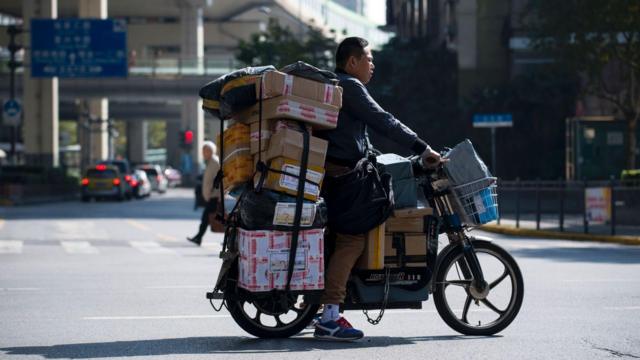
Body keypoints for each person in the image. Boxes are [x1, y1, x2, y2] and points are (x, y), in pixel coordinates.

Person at [314, 37, 444, 341]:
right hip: (345, 178)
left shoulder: (338, 86)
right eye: (369, 59)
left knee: (347, 237)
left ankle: (335, 301)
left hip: (338, 175)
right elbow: (383, 120)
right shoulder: (350, 86)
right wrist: (422, 147)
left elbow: (361, 139)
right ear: (352, 62)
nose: (373, 65)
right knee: (352, 240)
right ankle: (330, 317)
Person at [187, 141, 220, 246]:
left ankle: (198, 237)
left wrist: (213, 192)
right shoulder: (210, 162)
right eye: (203, 151)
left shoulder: (214, 162)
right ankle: (198, 237)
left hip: (214, 196)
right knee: (206, 218)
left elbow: (217, 179)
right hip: (211, 196)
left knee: (206, 218)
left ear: (210, 151)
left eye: (205, 151)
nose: (203, 153)